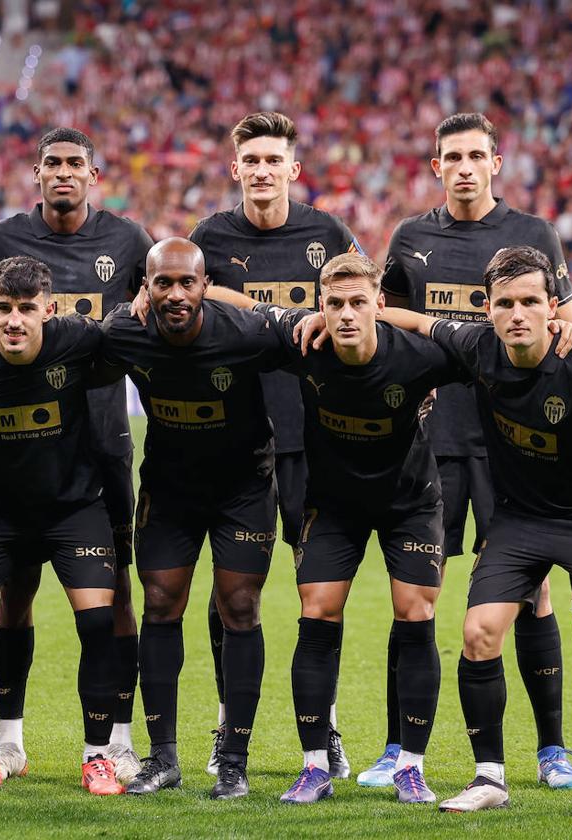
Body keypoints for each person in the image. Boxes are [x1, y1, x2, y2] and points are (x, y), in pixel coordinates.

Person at [0, 127, 152, 781]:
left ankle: (114, 743)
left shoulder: (127, 242)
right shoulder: (1, 244)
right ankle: (1, 744)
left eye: (75, 164)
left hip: (98, 458)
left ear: (93, 175)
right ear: (35, 172)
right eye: (52, 163)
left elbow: (154, 315)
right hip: (8, 474)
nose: (64, 173)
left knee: (112, 600)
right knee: (10, 600)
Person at [358, 113, 572, 790]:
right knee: (415, 600)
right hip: (429, 442)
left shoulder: (532, 235)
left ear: (496, 162)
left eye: (475, 156)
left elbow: (567, 319)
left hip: (509, 448)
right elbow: (390, 323)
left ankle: (552, 751)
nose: (464, 167)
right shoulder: (411, 238)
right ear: (436, 167)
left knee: (532, 597)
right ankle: (399, 751)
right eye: (451, 157)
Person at [378, 246, 572, 817]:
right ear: (488, 308)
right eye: (505, 303)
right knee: (477, 634)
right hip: (520, 521)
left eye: (530, 301)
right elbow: (420, 321)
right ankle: (489, 778)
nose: (517, 313)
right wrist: (357, 312)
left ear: (554, 308)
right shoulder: (479, 347)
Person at [188, 112, 361, 777]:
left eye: (273, 160)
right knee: (232, 593)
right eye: (250, 160)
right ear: (236, 169)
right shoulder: (208, 238)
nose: (261, 170)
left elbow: (360, 310)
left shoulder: (329, 233)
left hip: (314, 440)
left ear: (293, 169)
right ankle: (230, 727)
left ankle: (328, 729)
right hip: (231, 442)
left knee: (319, 589)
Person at [262, 253, 467, 805]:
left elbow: (492, 349)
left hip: (411, 504)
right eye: (334, 304)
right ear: (319, 307)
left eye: (358, 303)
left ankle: (411, 766)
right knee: (317, 612)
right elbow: (235, 314)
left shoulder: (420, 356)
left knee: (416, 613)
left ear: (380, 305)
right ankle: (314, 767)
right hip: (334, 506)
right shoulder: (303, 347)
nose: (346, 315)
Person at [101, 238, 286, 800]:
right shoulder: (123, 332)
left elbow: (318, 347)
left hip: (244, 488)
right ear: (146, 288)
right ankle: (162, 759)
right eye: (163, 283)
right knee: (159, 604)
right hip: (170, 489)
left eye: (187, 283)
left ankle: (234, 761)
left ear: (206, 286)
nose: (176, 294)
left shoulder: (248, 333)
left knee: (239, 607)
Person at [0, 256, 123, 796]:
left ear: (50, 309)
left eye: (26, 310)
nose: (14, 320)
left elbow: (141, 339)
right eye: (3, 309)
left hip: (74, 509)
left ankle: (97, 758)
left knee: (97, 627)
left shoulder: (81, 339)